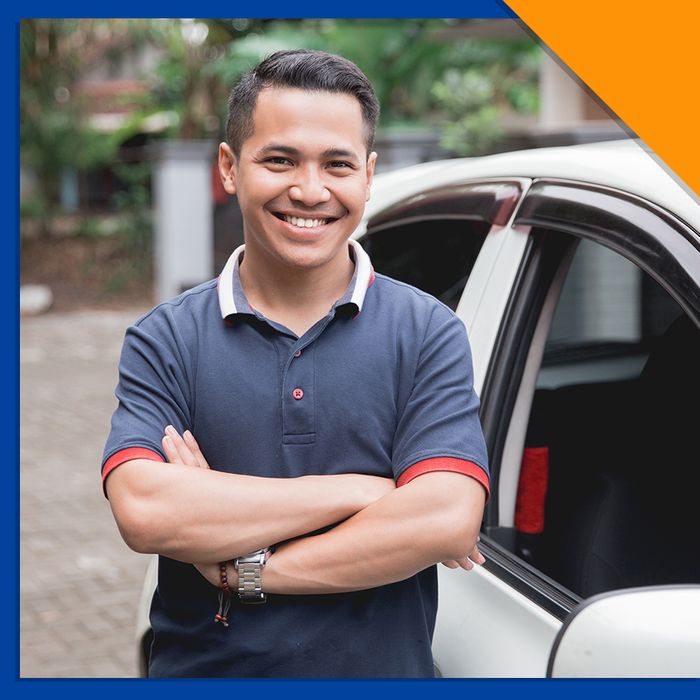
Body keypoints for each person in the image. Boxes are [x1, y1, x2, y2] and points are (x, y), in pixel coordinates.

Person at [102, 49, 489, 678]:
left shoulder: (427, 333)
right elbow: (147, 511)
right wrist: (364, 492)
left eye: (336, 164)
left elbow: (445, 517)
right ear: (229, 168)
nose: (309, 191)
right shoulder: (166, 337)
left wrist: (241, 569)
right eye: (280, 160)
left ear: (367, 174)